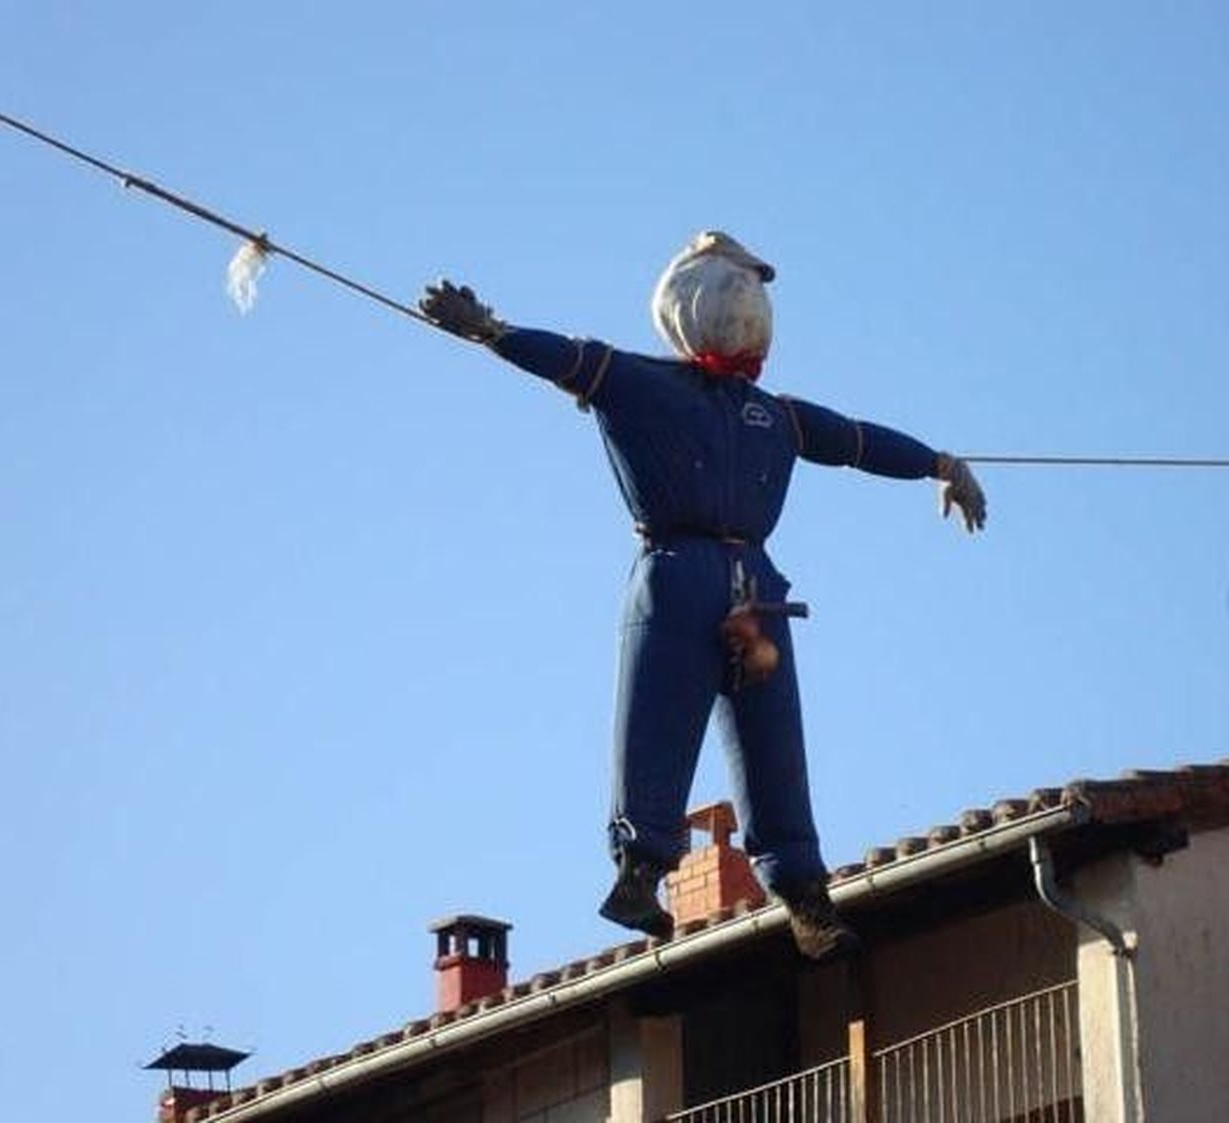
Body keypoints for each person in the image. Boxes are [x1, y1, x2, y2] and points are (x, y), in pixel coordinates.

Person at [420, 231, 986, 960]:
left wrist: (938, 463)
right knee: (658, 717)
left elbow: (854, 441)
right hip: (678, 564)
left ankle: (804, 896)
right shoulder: (639, 382)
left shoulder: (772, 414)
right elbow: (564, 358)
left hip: (754, 588)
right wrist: (493, 333)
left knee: (774, 740)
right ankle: (642, 866)